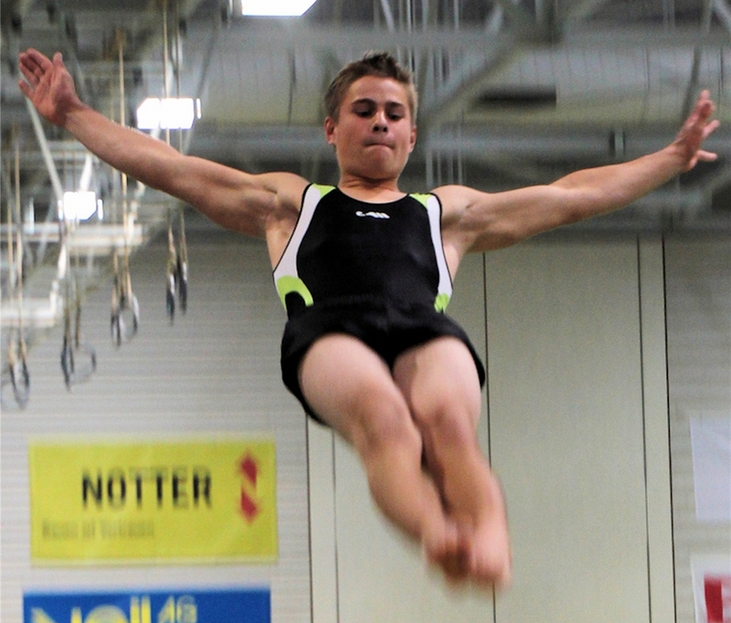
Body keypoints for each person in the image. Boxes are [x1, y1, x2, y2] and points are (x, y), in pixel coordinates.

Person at [18, 47, 719, 588]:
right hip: (329, 330)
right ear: (332, 129)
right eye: (362, 109)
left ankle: (491, 539)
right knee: (385, 419)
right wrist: (74, 115)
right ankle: (436, 534)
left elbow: (569, 195)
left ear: (411, 135)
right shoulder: (290, 203)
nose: (378, 120)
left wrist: (668, 158)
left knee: (447, 423)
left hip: (421, 326)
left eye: (391, 112)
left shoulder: (445, 215)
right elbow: (171, 168)